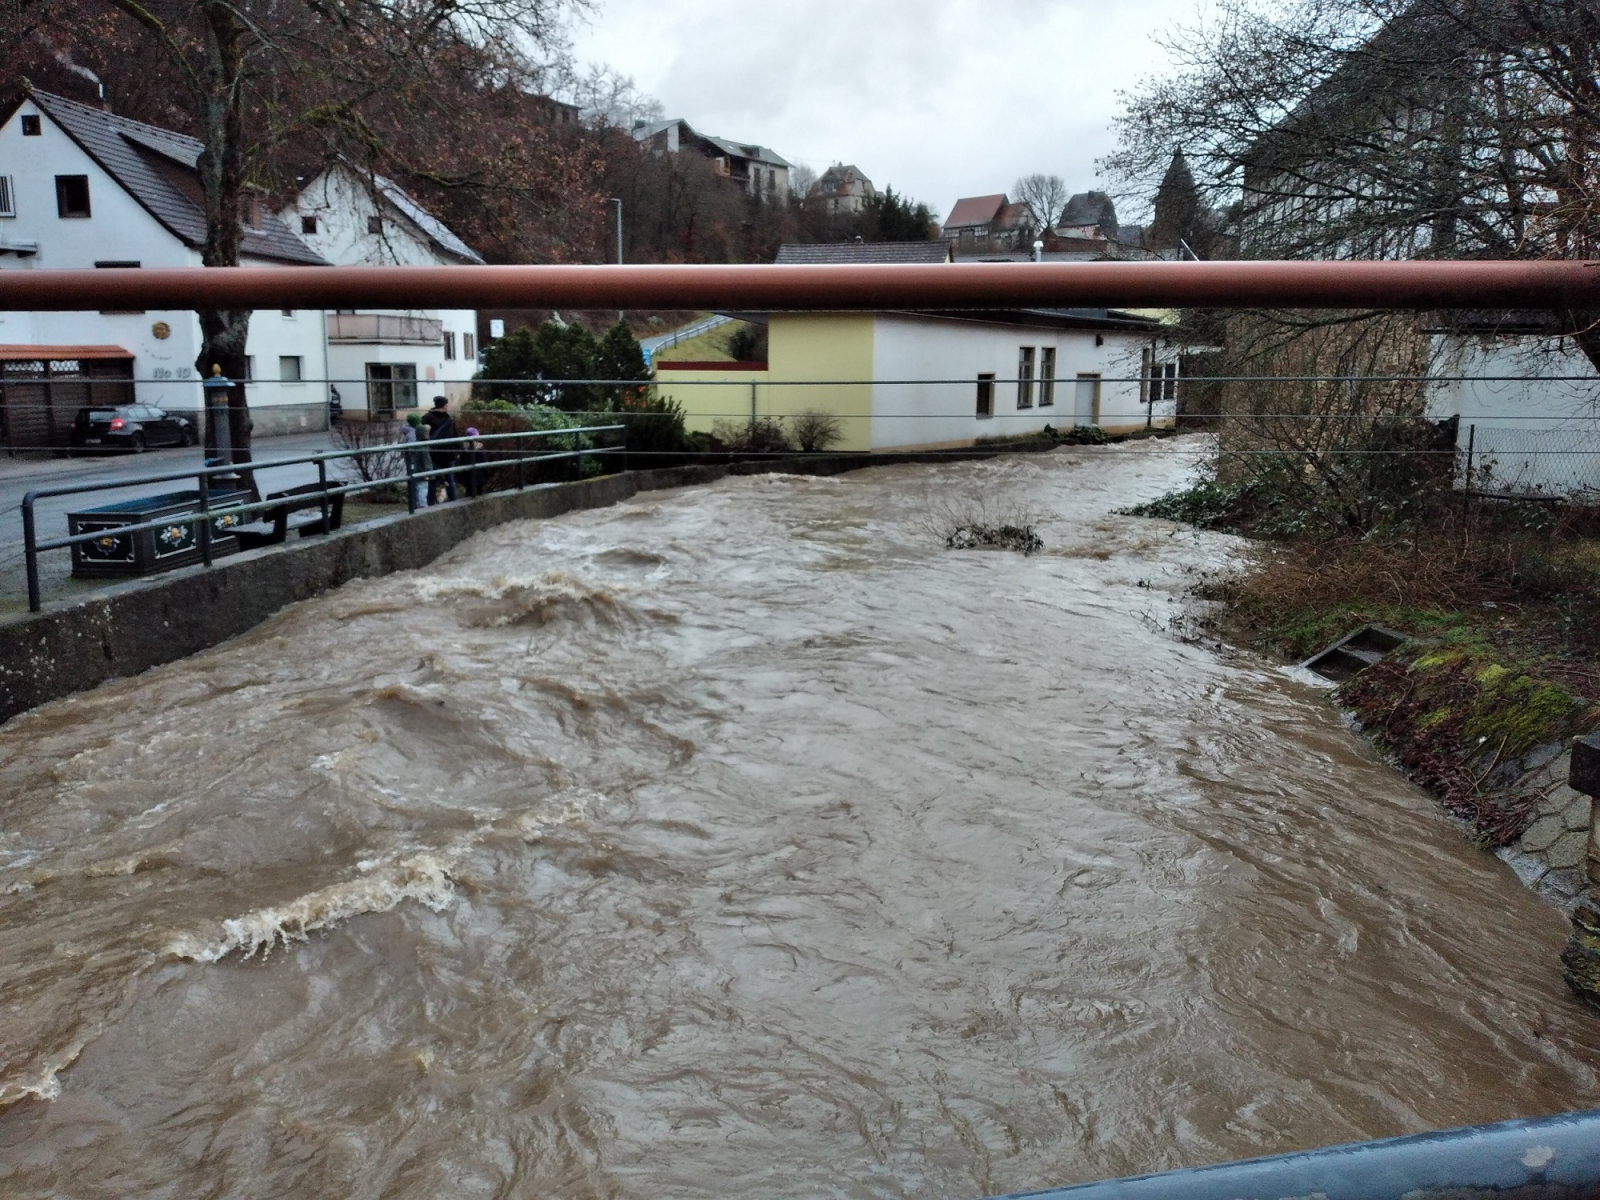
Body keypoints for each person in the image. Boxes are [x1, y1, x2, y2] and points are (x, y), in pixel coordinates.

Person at [421, 395, 457, 504]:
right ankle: (452, 500)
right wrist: (457, 449)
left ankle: (431, 502)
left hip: (437, 453)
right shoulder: (446, 418)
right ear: (443, 405)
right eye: (446, 404)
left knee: (435, 479)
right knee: (449, 479)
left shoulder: (427, 417)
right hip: (442, 453)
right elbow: (454, 435)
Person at [401, 413, 428, 509]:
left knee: (415, 483)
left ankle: (415, 503)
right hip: (416, 464)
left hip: (412, 463)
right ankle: (421, 505)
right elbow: (415, 452)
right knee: (420, 485)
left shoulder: (409, 432)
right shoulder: (413, 435)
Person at [462, 426, 488, 497]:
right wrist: (487, 475)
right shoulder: (480, 449)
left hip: (468, 478)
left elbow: (461, 463)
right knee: (480, 494)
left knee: (469, 494)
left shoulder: (464, 449)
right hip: (480, 477)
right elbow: (485, 463)